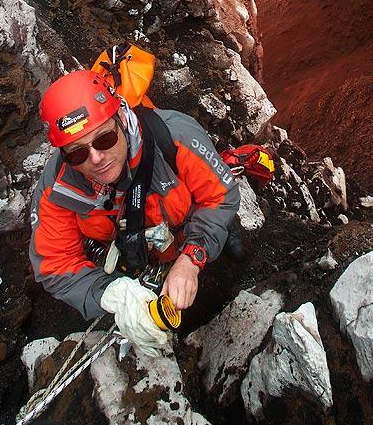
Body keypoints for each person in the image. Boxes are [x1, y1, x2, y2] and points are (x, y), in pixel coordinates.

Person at [30, 68, 239, 353]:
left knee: (233, 253)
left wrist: (192, 259)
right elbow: (55, 264)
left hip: (183, 238)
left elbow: (220, 196)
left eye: (104, 139)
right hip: (130, 257)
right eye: (78, 153)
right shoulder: (57, 189)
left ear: (120, 119)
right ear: (64, 155)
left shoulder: (175, 137)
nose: (96, 159)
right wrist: (112, 293)